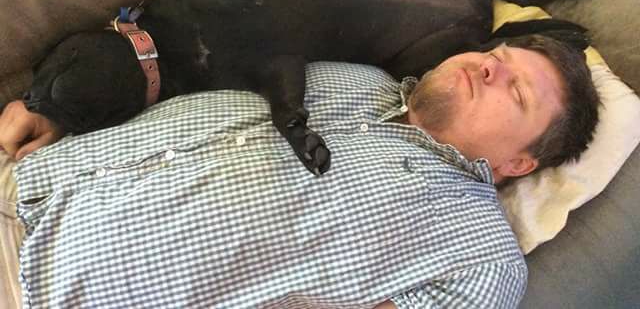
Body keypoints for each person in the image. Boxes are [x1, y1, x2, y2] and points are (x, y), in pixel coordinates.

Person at [0, 34, 598, 308]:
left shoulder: (481, 259)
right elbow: (184, 72)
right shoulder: (360, 74)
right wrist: (59, 106)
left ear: (520, 162)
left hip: (48, 289)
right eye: (497, 58)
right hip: (29, 168)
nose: (490, 70)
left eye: (517, 94)